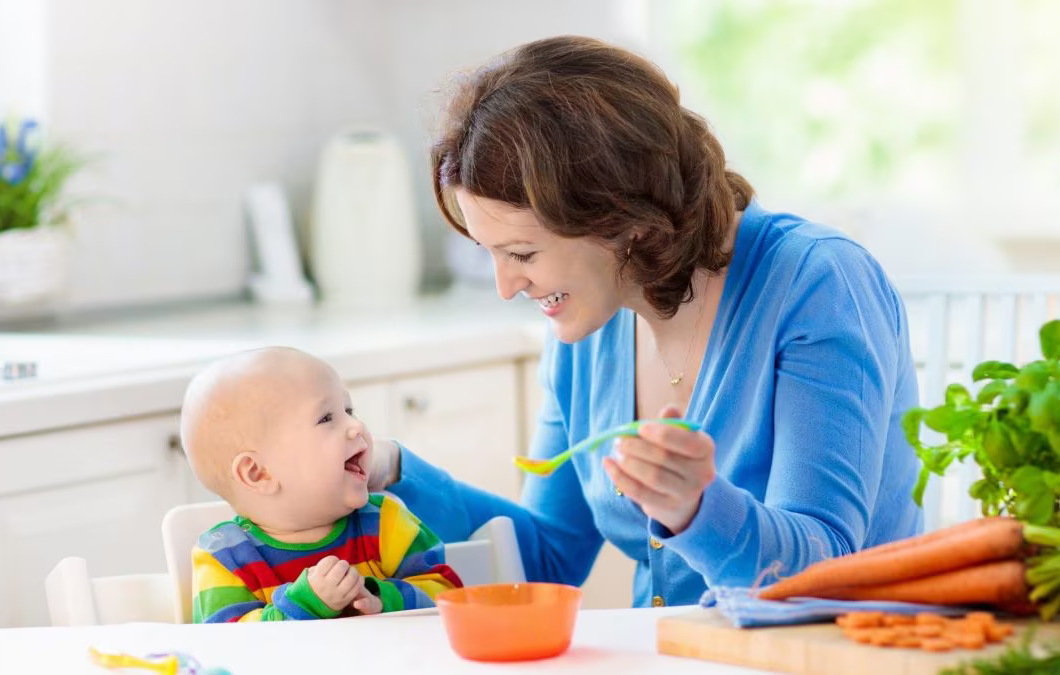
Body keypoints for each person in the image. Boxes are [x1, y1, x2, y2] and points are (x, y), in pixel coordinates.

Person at [369, 34, 922, 608]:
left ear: (624, 221)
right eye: (491, 253)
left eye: (523, 254)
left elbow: (825, 566)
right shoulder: (588, 316)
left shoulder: (818, 283)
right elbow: (547, 555)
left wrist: (698, 509)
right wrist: (390, 471)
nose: (507, 287)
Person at [179, 347, 461, 623]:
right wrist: (305, 605)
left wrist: (381, 596)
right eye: (326, 418)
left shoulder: (386, 522)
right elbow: (226, 646)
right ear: (258, 473)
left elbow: (449, 595)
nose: (355, 426)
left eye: (349, 409)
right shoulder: (224, 558)